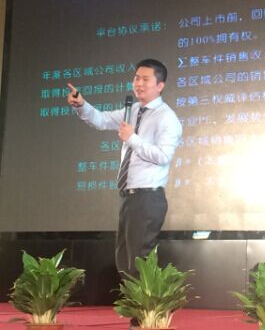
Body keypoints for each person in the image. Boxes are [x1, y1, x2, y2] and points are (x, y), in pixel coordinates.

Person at [66, 58, 182, 279]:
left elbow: (163, 156)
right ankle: (132, 300)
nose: (138, 83)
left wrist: (132, 138)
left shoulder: (166, 117)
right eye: (136, 78)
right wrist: (81, 105)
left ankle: (143, 303)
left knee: (138, 263)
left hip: (147, 198)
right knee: (123, 260)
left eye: (145, 79)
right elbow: (101, 120)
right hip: (129, 197)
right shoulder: (133, 110)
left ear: (160, 85)